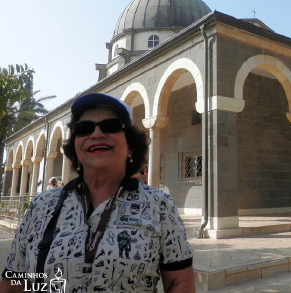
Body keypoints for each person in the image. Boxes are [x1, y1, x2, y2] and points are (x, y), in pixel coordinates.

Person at [0, 93, 195, 292]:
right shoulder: (41, 205)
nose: (97, 134)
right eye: (83, 129)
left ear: (130, 147)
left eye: (110, 126)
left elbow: (180, 282)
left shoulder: (159, 205)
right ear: (75, 147)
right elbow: (14, 282)